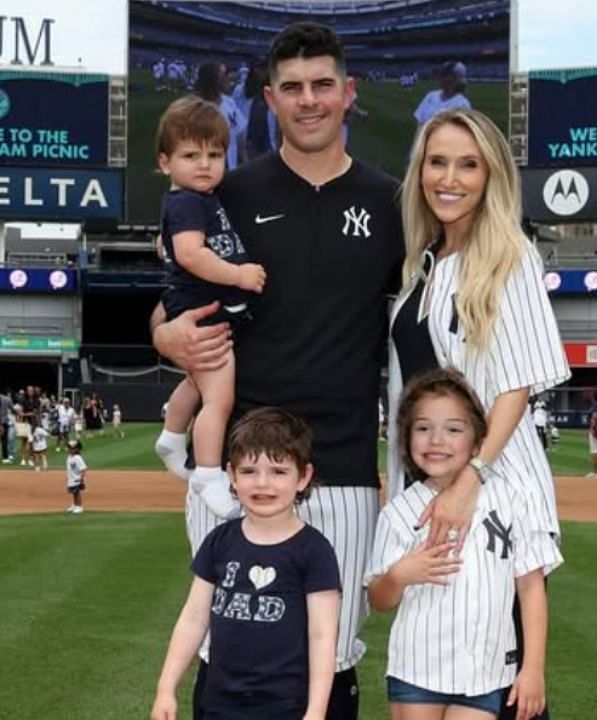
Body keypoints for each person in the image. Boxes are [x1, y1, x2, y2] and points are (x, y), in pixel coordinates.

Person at [152, 22, 405, 720]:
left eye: (323, 84)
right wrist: (168, 335)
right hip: (240, 463)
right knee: (225, 640)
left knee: (336, 649)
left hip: (344, 464)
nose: (309, 100)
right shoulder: (222, 191)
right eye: (291, 88)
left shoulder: (391, 202)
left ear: (348, 93)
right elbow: (171, 305)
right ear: (269, 98)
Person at [387, 107, 569, 720]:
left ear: (492, 177)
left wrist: (471, 481)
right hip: (438, 485)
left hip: (494, 492)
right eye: (437, 162)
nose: (450, 178)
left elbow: (517, 386)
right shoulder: (424, 263)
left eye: (469, 165)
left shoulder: (510, 255)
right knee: (447, 662)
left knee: (505, 687)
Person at [367, 369, 561, 720]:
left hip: (484, 674)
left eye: (453, 429)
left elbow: (531, 588)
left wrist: (533, 669)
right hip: (417, 670)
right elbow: (379, 599)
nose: (436, 440)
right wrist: (399, 575)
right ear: (406, 438)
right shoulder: (399, 512)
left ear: (477, 442)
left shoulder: (512, 500)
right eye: (423, 428)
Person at [150, 408, 341, 720]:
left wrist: (316, 711)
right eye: (249, 471)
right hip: (219, 702)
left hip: (285, 706)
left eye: (279, 471)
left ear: (303, 477)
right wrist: (166, 688)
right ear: (231, 475)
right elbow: (194, 618)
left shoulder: (314, 551)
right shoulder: (219, 542)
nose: (262, 483)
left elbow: (322, 635)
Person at [151, 95, 267, 518]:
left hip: (204, 304)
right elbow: (190, 254)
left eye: (215, 154)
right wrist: (239, 276)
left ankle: (170, 435)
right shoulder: (185, 201)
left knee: (198, 382)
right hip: (202, 307)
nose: (204, 164)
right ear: (166, 163)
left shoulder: (197, 198)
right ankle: (207, 472)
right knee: (218, 397)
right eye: (190, 155)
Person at [196, 62, 248, 171]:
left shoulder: (230, 103)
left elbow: (240, 136)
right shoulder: (193, 108)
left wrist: (245, 162)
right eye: (223, 74)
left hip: (228, 172)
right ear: (212, 79)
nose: (227, 78)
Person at [412, 61, 470, 127]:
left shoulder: (462, 104)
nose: (439, 77)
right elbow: (419, 122)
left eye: (444, 74)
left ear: (455, 78)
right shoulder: (431, 96)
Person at [65, 439, 86, 514]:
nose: (70, 450)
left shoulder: (78, 458)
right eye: (69, 448)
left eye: (72, 448)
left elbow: (83, 469)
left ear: (77, 449)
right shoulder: (70, 457)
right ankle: (75, 504)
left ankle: (79, 506)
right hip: (71, 478)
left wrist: (82, 479)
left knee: (77, 493)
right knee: (73, 493)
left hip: (77, 478)